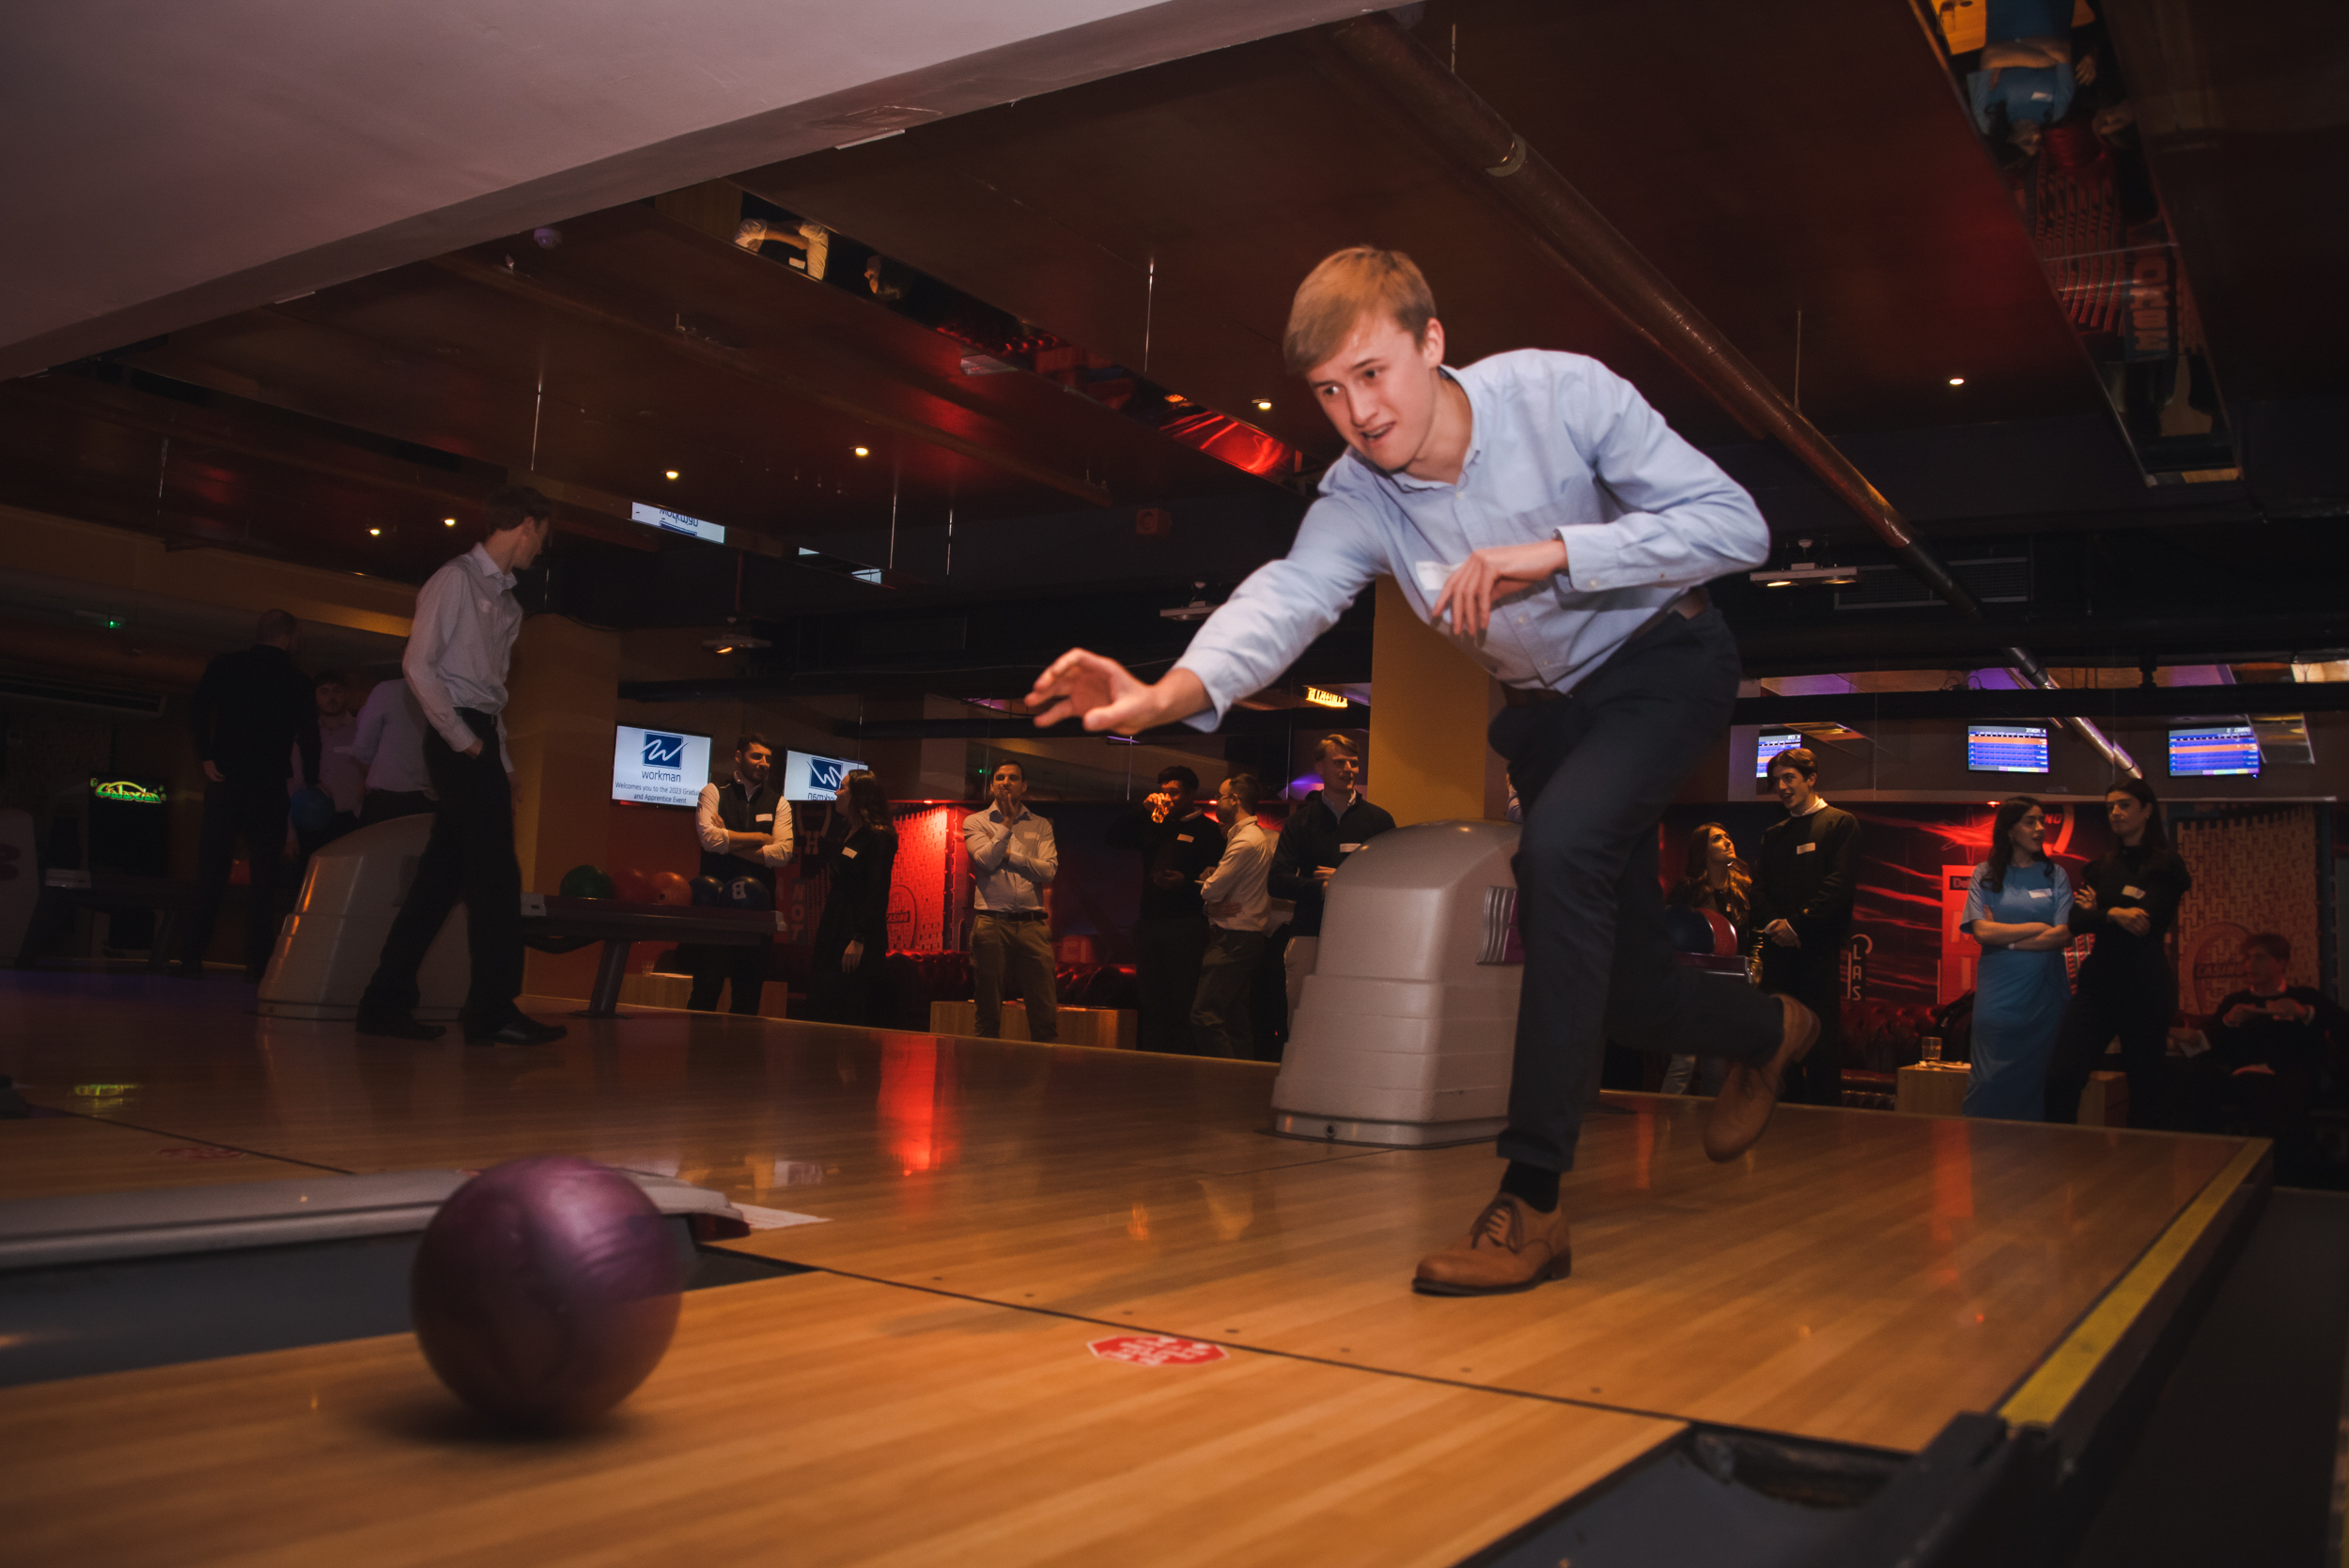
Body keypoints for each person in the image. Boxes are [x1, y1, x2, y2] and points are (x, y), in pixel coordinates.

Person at [1026, 247, 1807, 1296]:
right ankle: (1768, 1028)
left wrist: (1557, 551)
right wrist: (1164, 695)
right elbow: (1289, 595)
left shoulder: (1558, 393)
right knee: (1621, 989)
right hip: (1551, 715)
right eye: (1329, 392)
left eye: (1373, 372)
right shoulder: (1360, 496)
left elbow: (1735, 526)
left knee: (1559, 853)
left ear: (1432, 343)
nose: (1358, 411)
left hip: (1662, 660)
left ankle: (1529, 1202)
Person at [355, 488, 566, 1048]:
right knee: (497, 877)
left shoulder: (508, 602)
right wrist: (465, 744)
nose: (540, 550)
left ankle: (384, 1001)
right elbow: (417, 667)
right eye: (541, 537)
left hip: (477, 736)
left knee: (440, 879)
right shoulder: (455, 580)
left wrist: (500, 757)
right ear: (526, 524)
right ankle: (490, 1011)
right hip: (458, 738)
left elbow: (490, 696)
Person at [178, 608, 319, 982]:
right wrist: (313, 780)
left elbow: (197, 707)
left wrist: (206, 753)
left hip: (226, 781)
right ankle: (257, 961)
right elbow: (309, 736)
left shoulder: (226, 665)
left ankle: (191, 956)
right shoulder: (296, 680)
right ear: (289, 638)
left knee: (211, 871)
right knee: (264, 879)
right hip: (269, 786)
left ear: (260, 632)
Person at [2046, 779, 2192, 1126]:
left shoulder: (2165, 863)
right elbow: (2078, 920)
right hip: (2098, 986)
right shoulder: (2102, 866)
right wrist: (2114, 913)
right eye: (2110, 805)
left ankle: (2142, 1173)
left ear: (2146, 810)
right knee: (2062, 1076)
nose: (2115, 812)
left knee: (2145, 1088)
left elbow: (2147, 921)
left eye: (2124, 804)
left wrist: (2103, 906)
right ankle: (2056, 1161)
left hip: (2145, 985)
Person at [1751, 748, 1859, 1110]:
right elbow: (1759, 889)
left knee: (1820, 1043)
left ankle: (1825, 1129)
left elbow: (1837, 887)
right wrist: (1774, 926)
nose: (1781, 787)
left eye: (1788, 778)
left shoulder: (1840, 823)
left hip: (1817, 951)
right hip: (1777, 953)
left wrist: (1797, 926)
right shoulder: (1773, 833)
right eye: (1776, 780)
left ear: (1811, 779)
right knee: (1780, 1043)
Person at [1958, 797, 2075, 1120]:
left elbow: (2062, 935)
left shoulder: (2056, 875)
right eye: (2030, 822)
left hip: (2045, 997)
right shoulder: (1985, 873)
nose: (2040, 829)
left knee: (2037, 1083)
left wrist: (2008, 940)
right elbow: (1982, 932)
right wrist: (2036, 927)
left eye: (2042, 821)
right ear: (2009, 831)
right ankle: (1981, 1159)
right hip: (1999, 995)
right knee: (1988, 1079)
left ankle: (2032, 1165)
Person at [1267, 734, 1395, 1025]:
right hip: (1310, 932)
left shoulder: (1379, 820)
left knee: (1354, 1019)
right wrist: (1323, 888)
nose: (1348, 768)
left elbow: (1392, 883)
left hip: (1362, 937)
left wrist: (1344, 880)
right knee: (1303, 1020)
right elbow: (1277, 881)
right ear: (1320, 768)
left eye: (1353, 762)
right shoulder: (1300, 822)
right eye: (1339, 762)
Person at [2194, 933, 2344, 1177]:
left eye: (2259, 958)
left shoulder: (2305, 996)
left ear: (2281, 963)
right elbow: (2211, 1048)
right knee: (2254, 1087)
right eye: (2248, 958)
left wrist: (2304, 1013)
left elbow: (2341, 1025)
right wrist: (2229, 1021)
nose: (2250, 965)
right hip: (2248, 1075)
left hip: (2293, 1072)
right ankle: (2297, 1163)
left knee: (2292, 1087)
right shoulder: (2235, 1001)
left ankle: (2279, 1167)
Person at [1105, 765, 1224, 1053]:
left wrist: (1186, 882)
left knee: (1184, 999)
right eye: (1163, 791)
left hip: (1187, 923)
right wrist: (1142, 809)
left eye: (1174, 792)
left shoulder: (1207, 830)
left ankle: (1183, 1063)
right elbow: (1112, 838)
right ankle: (1150, 1062)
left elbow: (1218, 878)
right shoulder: (1153, 822)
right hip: (1149, 922)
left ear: (1191, 794)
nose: (1167, 798)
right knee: (1151, 999)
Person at [690, 734, 792, 1016]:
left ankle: (742, 1060)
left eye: (768, 759)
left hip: (757, 916)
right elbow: (709, 839)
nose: (763, 763)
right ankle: (696, 1059)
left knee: (748, 999)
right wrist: (761, 837)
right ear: (738, 757)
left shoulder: (779, 803)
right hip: (715, 911)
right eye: (756, 756)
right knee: (705, 993)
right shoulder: (713, 792)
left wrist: (729, 842)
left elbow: (783, 854)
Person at [964, 759, 1059, 1043]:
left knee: (1044, 1013)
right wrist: (1006, 824)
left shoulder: (1040, 825)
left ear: (1024, 786)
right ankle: (984, 1083)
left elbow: (1049, 871)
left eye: (1013, 778)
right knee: (988, 1013)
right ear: (992, 785)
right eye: (1000, 778)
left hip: (1032, 925)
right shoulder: (975, 821)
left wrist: (1009, 856)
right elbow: (986, 860)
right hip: (992, 923)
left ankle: (1042, 1083)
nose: (1006, 782)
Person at [1659, 822, 1752, 1095]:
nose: (1727, 841)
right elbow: (1669, 931)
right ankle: (1663, 1125)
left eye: (1727, 836)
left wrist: (1754, 968)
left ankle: (1707, 1126)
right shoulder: (1688, 888)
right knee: (1683, 1060)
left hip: (1725, 988)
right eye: (1717, 839)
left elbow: (1752, 936)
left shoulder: (1744, 889)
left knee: (1715, 1065)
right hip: (1691, 984)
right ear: (1704, 851)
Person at [1192, 771, 1276, 1059]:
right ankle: (1241, 1081)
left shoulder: (1245, 841)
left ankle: (1222, 1078)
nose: (1217, 802)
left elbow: (1211, 890)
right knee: (1235, 1017)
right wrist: (1212, 895)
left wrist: (1208, 887)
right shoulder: (1250, 837)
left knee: (1205, 1014)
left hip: (1234, 940)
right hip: (1243, 938)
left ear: (1235, 800)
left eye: (1221, 796)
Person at [808, 770, 896, 1026]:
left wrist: (859, 938)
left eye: (842, 787)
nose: (836, 792)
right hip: (833, 925)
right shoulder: (848, 830)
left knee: (848, 1004)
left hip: (856, 932)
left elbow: (877, 891)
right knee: (820, 1004)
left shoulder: (878, 837)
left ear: (859, 796)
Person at [347, 669, 436, 826]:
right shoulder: (453, 692)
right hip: (434, 796)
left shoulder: (388, 691)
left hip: (389, 799)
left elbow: (363, 749)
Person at [300, 671, 367, 848]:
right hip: (309, 821)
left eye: (337, 690)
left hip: (351, 822)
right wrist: (290, 835)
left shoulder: (362, 732)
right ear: (315, 697)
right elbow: (292, 783)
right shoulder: (305, 734)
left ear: (347, 694)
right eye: (324, 691)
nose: (331, 697)